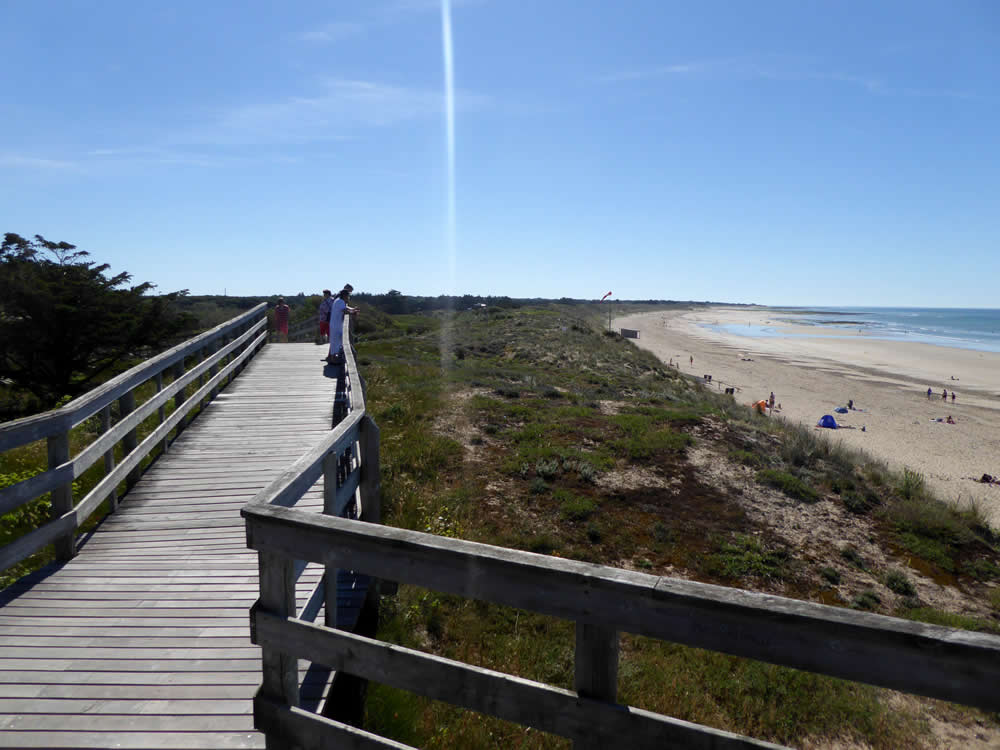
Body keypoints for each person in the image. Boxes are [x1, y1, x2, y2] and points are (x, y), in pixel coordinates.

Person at [325, 286, 359, 364]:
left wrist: (352, 309)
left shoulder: (338, 300)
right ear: (345, 296)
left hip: (335, 323)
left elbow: (345, 307)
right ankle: (333, 359)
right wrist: (353, 312)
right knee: (336, 341)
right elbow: (344, 310)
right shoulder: (340, 302)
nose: (349, 297)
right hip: (336, 324)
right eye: (348, 296)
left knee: (335, 341)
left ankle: (333, 358)